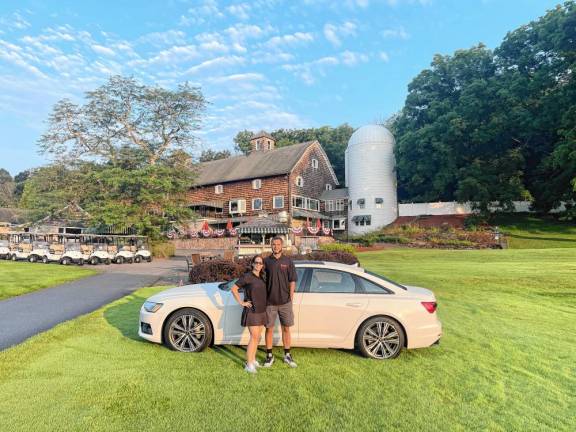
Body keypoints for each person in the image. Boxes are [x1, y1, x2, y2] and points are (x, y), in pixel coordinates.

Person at [263, 236, 298, 368]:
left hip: (285, 302)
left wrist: (291, 298)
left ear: (282, 246)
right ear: (271, 246)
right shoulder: (266, 261)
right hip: (270, 302)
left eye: (278, 244)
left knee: (286, 329)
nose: (276, 246)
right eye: (273, 244)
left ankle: (287, 355)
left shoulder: (288, 261)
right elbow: (261, 280)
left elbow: (292, 280)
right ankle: (269, 356)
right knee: (269, 329)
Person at [231, 255, 267, 374]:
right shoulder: (247, 276)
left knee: (257, 337)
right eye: (256, 262)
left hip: (262, 311)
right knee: (254, 337)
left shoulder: (262, 276)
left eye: (260, 263)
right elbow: (234, 289)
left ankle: (253, 359)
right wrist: (242, 302)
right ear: (252, 264)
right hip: (252, 311)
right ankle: (249, 364)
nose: (258, 264)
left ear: (262, 265)